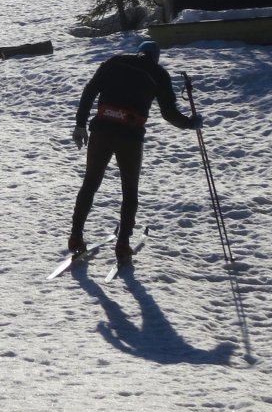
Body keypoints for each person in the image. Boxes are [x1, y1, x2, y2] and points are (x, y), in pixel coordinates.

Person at [69, 40, 199, 260]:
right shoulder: (158, 73)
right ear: (155, 57)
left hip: (102, 130)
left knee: (90, 183)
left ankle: (75, 236)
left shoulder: (115, 62)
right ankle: (123, 244)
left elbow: (90, 90)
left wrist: (80, 124)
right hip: (130, 136)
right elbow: (168, 113)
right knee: (129, 190)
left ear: (138, 52)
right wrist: (190, 123)